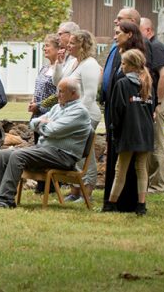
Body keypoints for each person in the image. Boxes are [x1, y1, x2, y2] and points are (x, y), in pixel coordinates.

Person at [0, 77, 91, 209]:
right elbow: (33, 122)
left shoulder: (79, 112)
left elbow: (52, 130)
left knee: (18, 156)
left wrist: (46, 125)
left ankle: (6, 200)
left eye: (61, 91)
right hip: (46, 150)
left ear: (73, 93)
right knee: (3, 155)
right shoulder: (57, 107)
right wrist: (44, 124)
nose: (57, 95)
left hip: (63, 156)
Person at [101, 18, 150, 211]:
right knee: (141, 169)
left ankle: (111, 203)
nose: (119, 67)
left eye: (122, 64)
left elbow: (118, 109)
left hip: (128, 132)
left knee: (120, 168)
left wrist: (114, 127)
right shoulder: (147, 83)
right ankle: (141, 204)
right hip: (145, 132)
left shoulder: (123, 83)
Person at [54, 30, 101, 202]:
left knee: (85, 154)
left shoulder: (90, 64)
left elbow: (89, 95)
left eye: (73, 43)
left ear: (83, 45)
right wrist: (58, 64)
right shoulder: (73, 62)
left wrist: (75, 115)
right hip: (72, 114)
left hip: (87, 115)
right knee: (73, 151)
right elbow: (58, 83)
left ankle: (87, 191)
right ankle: (75, 191)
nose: (68, 46)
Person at [140, 17, 164, 193]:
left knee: (156, 141)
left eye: (140, 31)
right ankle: (150, 181)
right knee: (151, 140)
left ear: (149, 31)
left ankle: (158, 183)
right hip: (155, 100)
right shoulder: (149, 47)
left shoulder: (156, 46)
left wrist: (158, 102)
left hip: (161, 99)